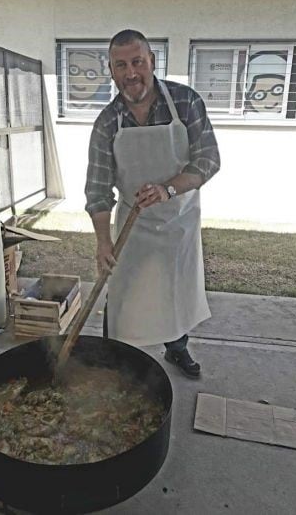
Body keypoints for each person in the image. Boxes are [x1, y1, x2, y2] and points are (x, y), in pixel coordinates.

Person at [85, 29, 220, 378]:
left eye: (137, 62)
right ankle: (113, 358)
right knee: (122, 295)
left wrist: (168, 190)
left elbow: (208, 160)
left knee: (174, 290)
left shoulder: (185, 102)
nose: (131, 73)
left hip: (178, 222)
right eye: (121, 65)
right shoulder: (106, 123)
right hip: (134, 226)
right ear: (111, 71)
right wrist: (102, 241)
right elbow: (98, 189)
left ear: (152, 62)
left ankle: (177, 350)